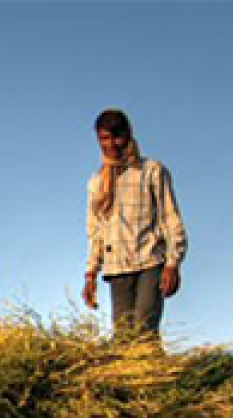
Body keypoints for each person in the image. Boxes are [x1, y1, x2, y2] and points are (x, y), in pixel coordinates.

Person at [82, 108, 188, 343]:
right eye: (105, 139)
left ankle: (157, 377)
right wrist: (91, 273)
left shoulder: (151, 171)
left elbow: (171, 218)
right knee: (123, 338)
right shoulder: (97, 182)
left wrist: (173, 263)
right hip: (117, 268)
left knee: (144, 332)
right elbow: (96, 231)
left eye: (117, 137)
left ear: (128, 135)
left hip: (149, 262)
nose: (112, 145)